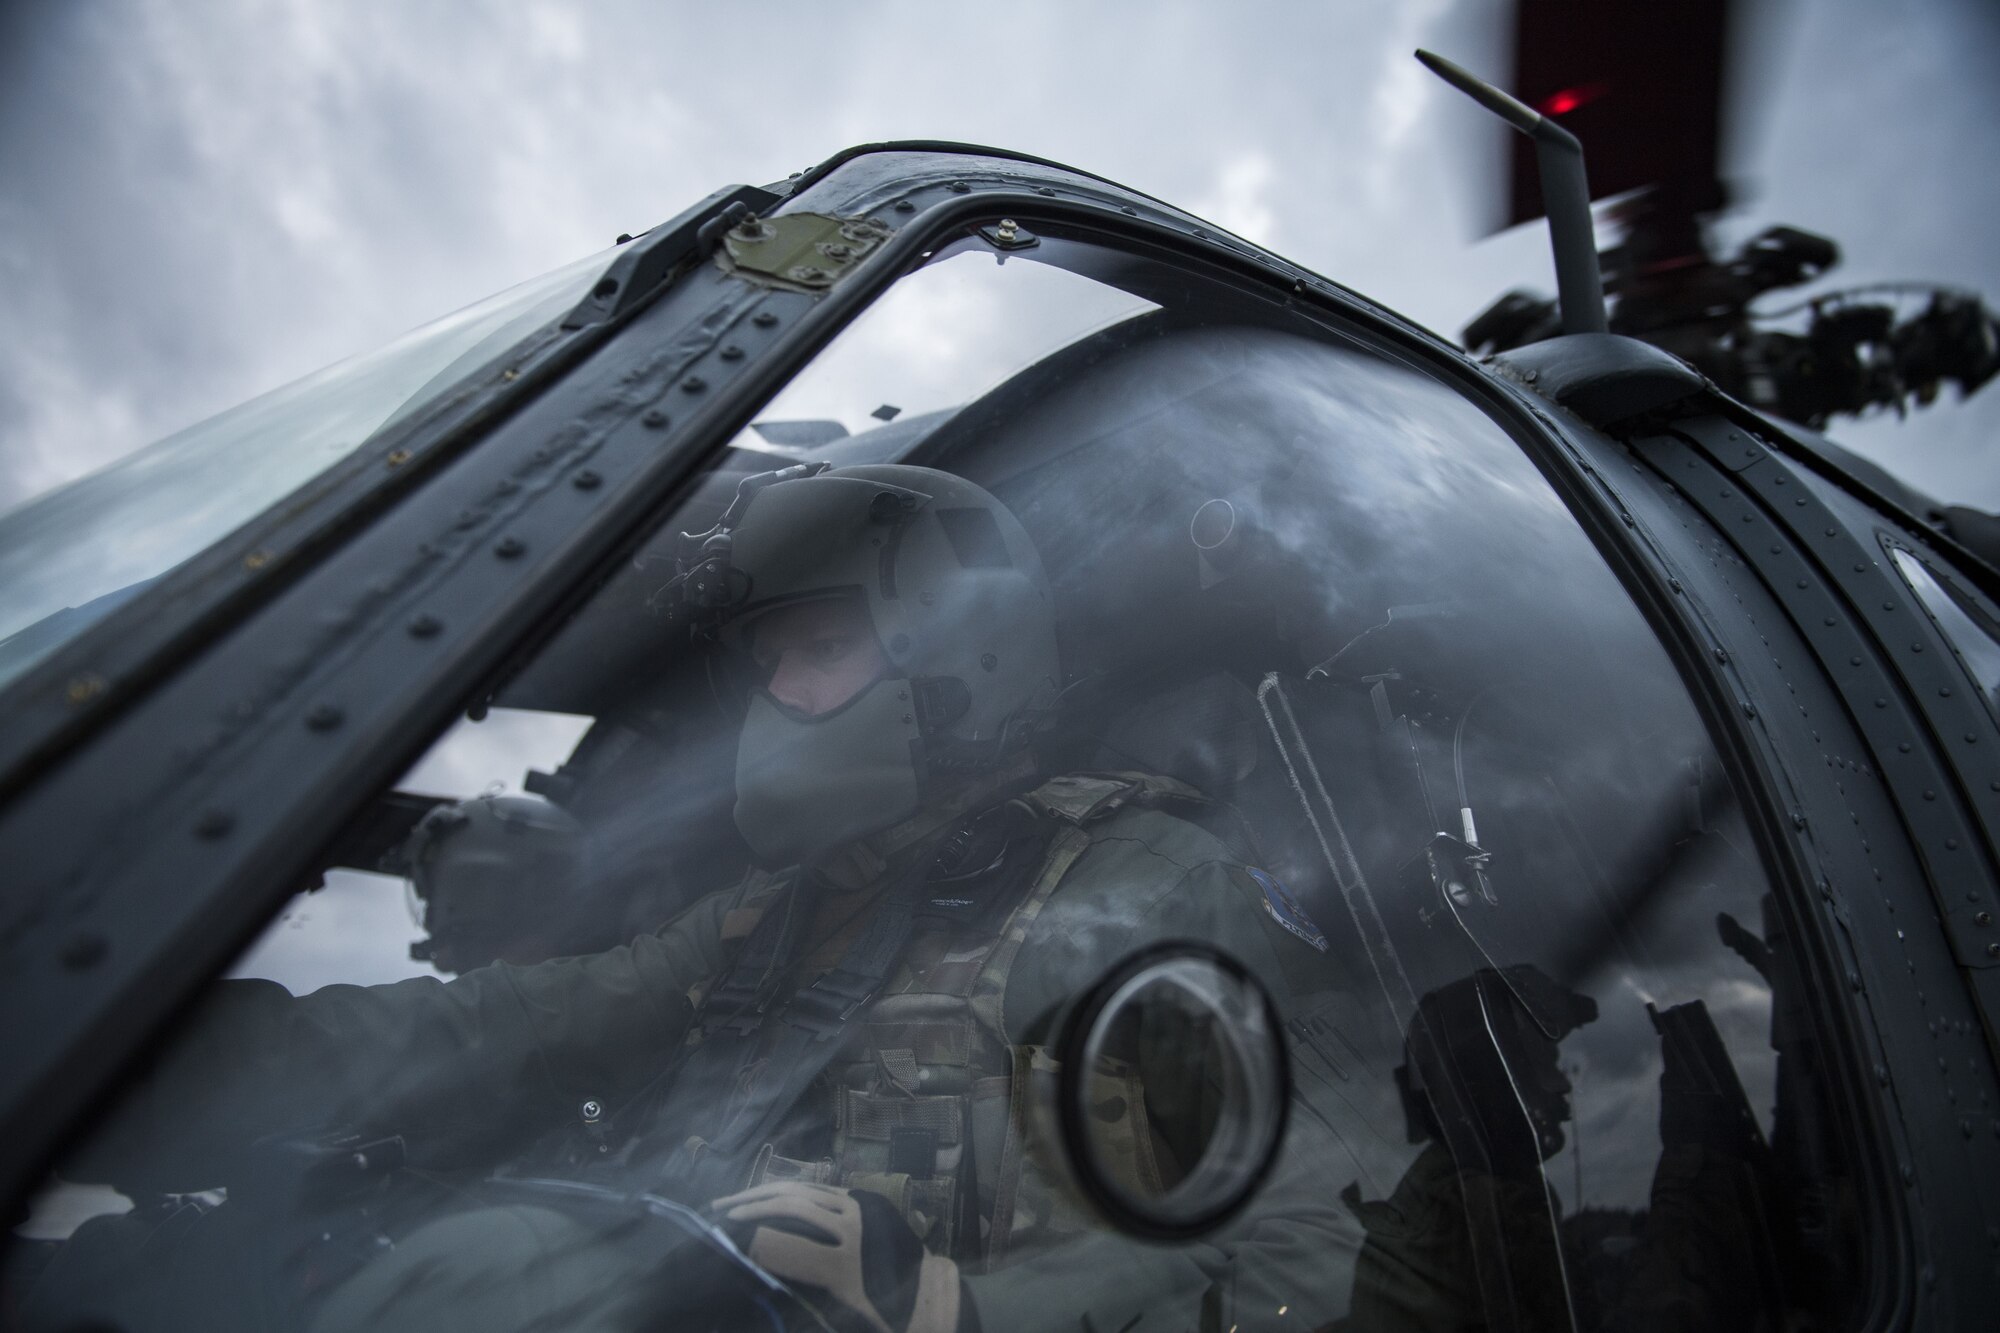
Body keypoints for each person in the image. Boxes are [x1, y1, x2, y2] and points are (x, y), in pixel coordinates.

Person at [22, 464, 1358, 1333]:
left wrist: (947, 1307)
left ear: (957, 660)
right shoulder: (769, 912)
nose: (776, 696)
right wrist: (92, 1055)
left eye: (818, 651)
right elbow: (485, 1026)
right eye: (768, 658)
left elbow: (1293, 1257)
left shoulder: (1132, 884)